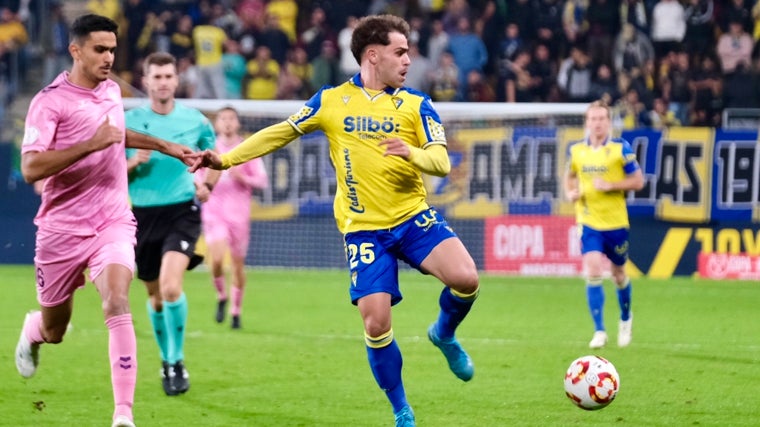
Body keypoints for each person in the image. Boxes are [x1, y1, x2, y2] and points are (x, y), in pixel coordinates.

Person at [187, 14, 479, 427]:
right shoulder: (331, 101)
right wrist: (226, 157)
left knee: (467, 279)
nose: (409, 60)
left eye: (409, 52)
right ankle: (402, 410)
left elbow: (442, 160)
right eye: (400, 52)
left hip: (413, 217)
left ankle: (444, 334)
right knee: (377, 322)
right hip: (364, 229)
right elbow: (281, 132)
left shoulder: (416, 103)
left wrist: (410, 153)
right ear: (372, 55)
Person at [15, 14, 192, 427]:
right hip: (60, 230)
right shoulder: (49, 102)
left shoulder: (111, 90)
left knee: (116, 298)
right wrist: (89, 143)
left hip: (112, 219)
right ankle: (34, 331)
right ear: (76, 50)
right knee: (56, 328)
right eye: (100, 49)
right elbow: (30, 168)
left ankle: (123, 415)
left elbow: (118, 133)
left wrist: (168, 145)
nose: (109, 57)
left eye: (113, 49)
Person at [125, 51, 220, 397]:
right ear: (145, 80)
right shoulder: (128, 122)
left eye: (169, 76)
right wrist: (134, 161)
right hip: (141, 215)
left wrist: (207, 184)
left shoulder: (195, 120)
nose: (163, 82)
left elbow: (216, 158)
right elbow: (108, 173)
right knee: (154, 296)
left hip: (182, 210)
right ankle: (166, 360)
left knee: (169, 287)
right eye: (157, 76)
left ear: (176, 80)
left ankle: (177, 361)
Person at [563, 100, 644, 350]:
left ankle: (625, 318)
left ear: (608, 122)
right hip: (588, 221)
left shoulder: (621, 149)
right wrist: (570, 193)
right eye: (593, 119)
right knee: (593, 269)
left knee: (619, 275)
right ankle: (599, 330)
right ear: (587, 123)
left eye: (601, 119)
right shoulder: (577, 151)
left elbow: (638, 181)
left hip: (616, 222)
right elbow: (569, 176)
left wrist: (611, 186)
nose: (597, 123)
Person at [201, 107, 268, 329]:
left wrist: (243, 178)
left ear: (237, 123)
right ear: (217, 124)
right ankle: (221, 295)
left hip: (239, 216)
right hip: (214, 212)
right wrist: (200, 188)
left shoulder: (247, 149)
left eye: (231, 118)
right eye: (223, 119)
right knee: (217, 259)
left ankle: (236, 312)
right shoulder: (210, 149)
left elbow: (262, 181)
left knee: (238, 265)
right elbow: (197, 177)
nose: (228, 123)